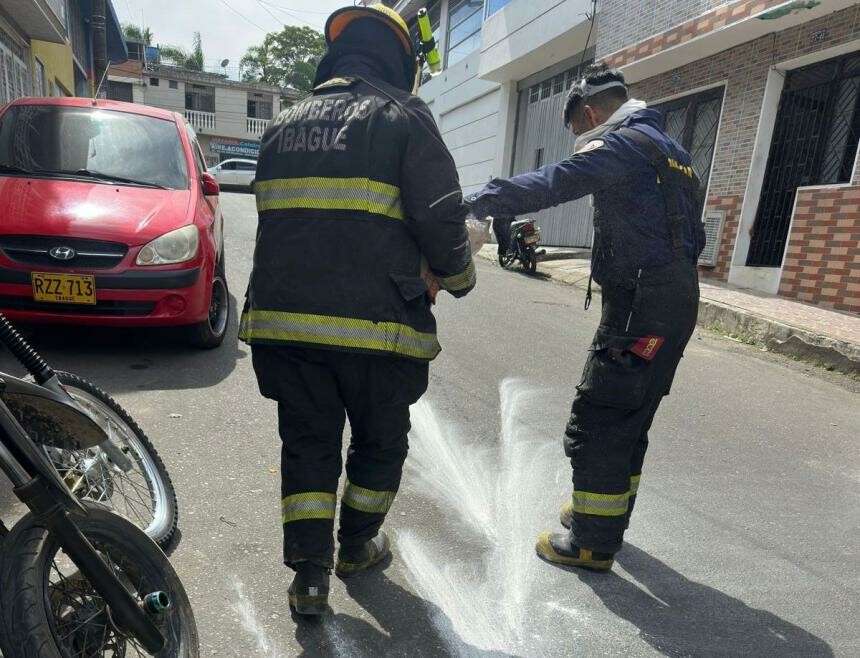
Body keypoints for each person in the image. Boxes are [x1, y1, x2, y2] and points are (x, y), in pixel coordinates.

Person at [239, 3, 476, 615]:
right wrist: (460, 276)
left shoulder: (282, 125)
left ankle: (309, 578)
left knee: (308, 444)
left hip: (285, 327)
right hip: (378, 330)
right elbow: (442, 216)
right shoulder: (403, 116)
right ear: (399, 58)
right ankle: (357, 546)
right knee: (378, 444)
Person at [468, 63, 705, 571]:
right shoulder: (674, 152)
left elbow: (557, 181)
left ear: (590, 111)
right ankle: (602, 510)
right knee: (633, 412)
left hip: (642, 302)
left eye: (574, 125)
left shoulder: (624, 145)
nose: (576, 135)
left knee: (601, 416)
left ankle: (594, 542)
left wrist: (479, 200)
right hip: (674, 299)